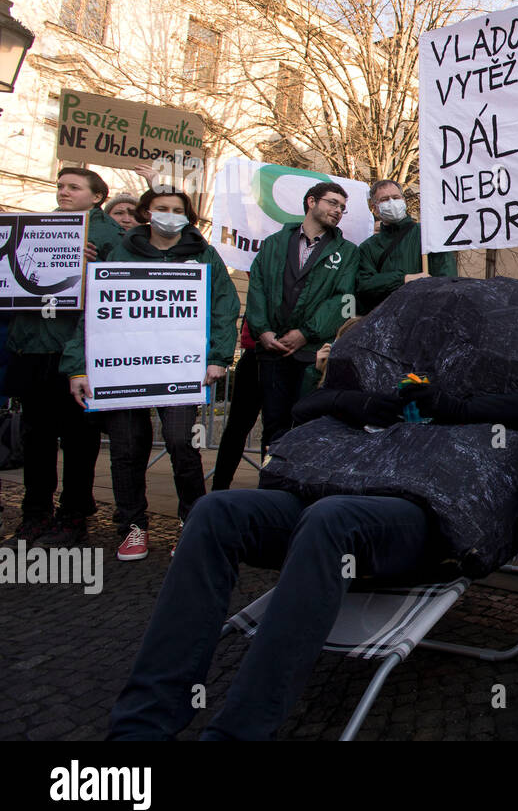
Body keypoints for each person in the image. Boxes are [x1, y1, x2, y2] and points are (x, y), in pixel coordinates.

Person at [107, 359, 518, 740]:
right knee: (214, 510)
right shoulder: (389, 359)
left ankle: (237, 734)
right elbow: (307, 406)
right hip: (326, 485)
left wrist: (456, 406)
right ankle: (140, 726)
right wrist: (363, 401)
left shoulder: (501, 363)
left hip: (419, 508)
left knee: (331, 518)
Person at [64, 186, 240, 560]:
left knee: (182, 445)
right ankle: (132, 526)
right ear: (147, 212)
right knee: (126, 450)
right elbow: (92, 312)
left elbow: (224, 306)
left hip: (181, 370)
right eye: (162, 207)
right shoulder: (120, 251)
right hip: (125, 372)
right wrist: (78, 366)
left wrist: (218, 357)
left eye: (178, 209)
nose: (170, 214)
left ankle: (193, 525)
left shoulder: (204, 254)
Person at [1, 167, 122, 548]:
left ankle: (74, 511)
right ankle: (35, 512)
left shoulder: (110, 236)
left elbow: (118, 290)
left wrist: (91, 265)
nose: (63, 192)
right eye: (60, 186)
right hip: (32, 346)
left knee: (78, 438)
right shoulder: (31, 227)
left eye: (73, 187)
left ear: (97, 197)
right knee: (36, 436)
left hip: (75, 352)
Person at [245, 181, 358, 450]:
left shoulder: (347, 252)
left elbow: (343, 299)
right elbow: (257, 288)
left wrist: (305, 332)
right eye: (333, 203)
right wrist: (263, 331)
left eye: (343, 207)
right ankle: (270, 484)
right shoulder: (274, 243)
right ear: (311, 202)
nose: (338, 210)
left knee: (307, 425)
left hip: (311, 354)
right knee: (273, 426)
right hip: (272, 351)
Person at [355, 180, 455, 314]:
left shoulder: (427, 234)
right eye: (384, 199)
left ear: (403, 200)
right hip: (385, 318)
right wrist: (403, 279)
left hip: (424, 315)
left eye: (396, 198)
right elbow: (364, 284)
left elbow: (447, 278)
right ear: (374, 207)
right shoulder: (368, 247)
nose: (392, 203)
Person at [209, 321, 260, 491]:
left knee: (274, 429)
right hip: (257, 355)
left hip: (286, 358)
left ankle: (270, 487)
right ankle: (220, 486)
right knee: (236, 428)